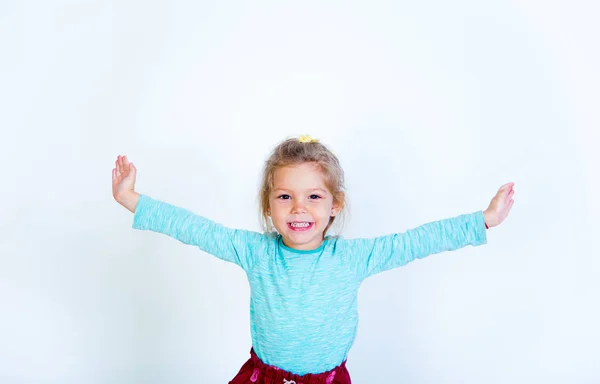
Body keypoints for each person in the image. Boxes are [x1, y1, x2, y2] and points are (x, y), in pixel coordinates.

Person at [112, 135, 515, 384]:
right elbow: (194, 228)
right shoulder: (256, 251)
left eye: (314, 196)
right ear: (268, 207)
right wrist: (131, 198)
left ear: (335, 205)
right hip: (264, 378)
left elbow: (415, 241)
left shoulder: (353, 257)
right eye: (285, 196)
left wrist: (483, 220)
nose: (299, 208)